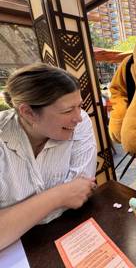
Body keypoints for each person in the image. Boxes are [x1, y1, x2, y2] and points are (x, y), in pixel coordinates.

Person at [0, 63, 97, 250]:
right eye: (68, 111)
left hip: (69, 234)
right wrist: (59, 195)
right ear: (28, 112)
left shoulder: (80, 122)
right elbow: (70, 194)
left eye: (79, 106)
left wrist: (13, 218)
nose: (78, 117)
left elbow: (80, 193)